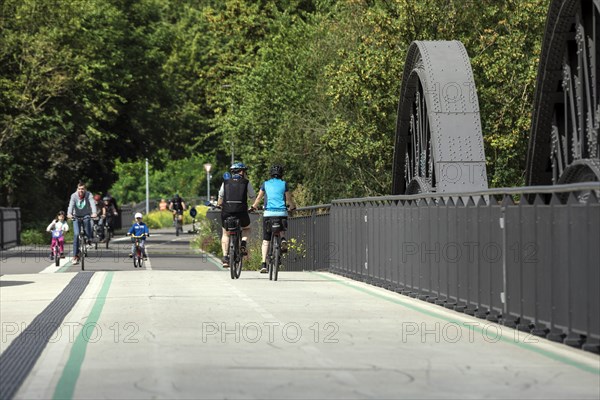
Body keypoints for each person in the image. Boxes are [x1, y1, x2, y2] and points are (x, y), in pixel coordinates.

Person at [250, 164, 296, 273]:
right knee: (281, 229)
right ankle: (283, 239)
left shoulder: (265, 184)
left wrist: (253, 207)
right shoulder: (284, 184)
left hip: (268, 213)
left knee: (266, 240)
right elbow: (289, 199)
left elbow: (258, 198)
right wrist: (292, 207)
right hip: (281, 213)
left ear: (271, 174)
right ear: (281, 174)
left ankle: (263, 264)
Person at [218, 162, 256, 268]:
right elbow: (253, 196)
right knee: (247, 228)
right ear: (242, 171)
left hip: (227, 211)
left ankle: (225, 257)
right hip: (241, 212)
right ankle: (243, 244)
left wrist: (219, 204)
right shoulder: (246, 182)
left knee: (226, 233)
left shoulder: (225, 182)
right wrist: (254, 206)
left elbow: (221, 195)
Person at [67, 182, 98, 265]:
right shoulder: (73, 196)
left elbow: (92, 204)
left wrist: (94, 213)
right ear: (77, 189)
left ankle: (89, 238)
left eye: (82, 189)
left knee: (88, 220)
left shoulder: (89, 195)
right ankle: (75, 256)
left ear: (85, 189)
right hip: (76, 216)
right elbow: (71, 205)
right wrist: (69, 214)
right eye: (79, 189)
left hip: (86, 215)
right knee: (76, 234)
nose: (81, 190)